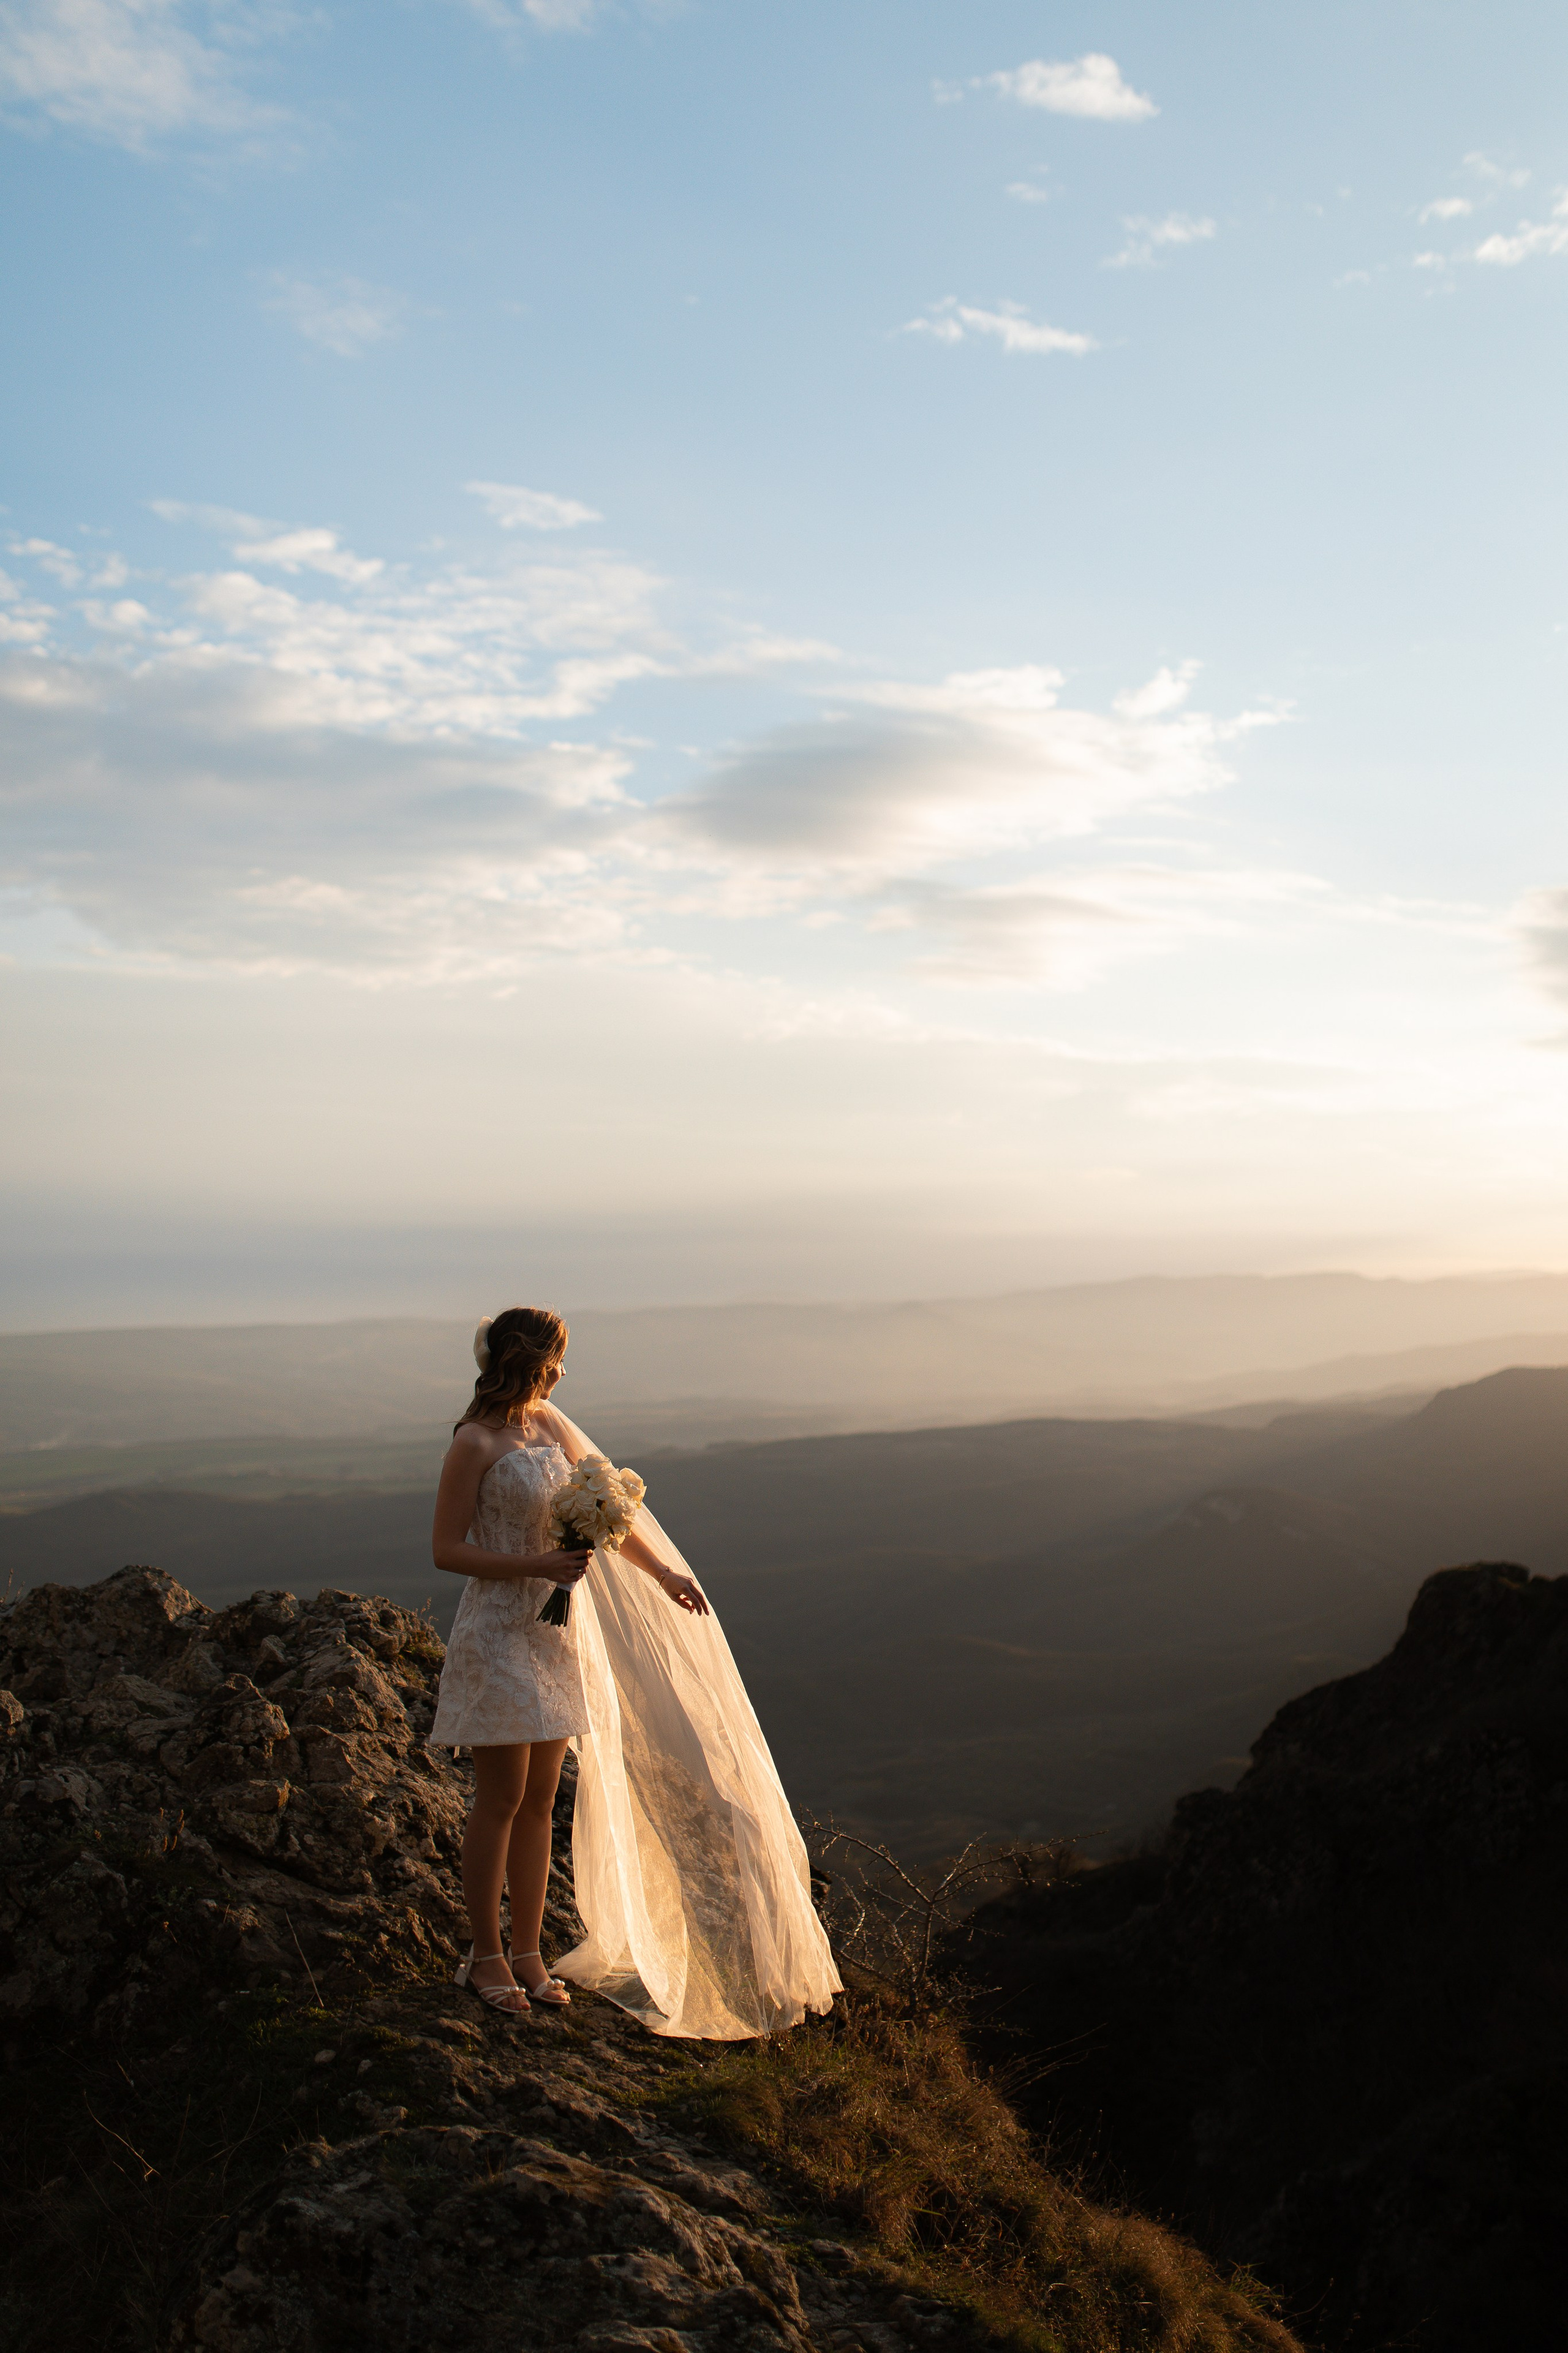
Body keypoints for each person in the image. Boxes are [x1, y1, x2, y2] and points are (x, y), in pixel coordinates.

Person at [429, 1303, 840, 2037]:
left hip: (555, 1634)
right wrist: (538, 1565)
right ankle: (484, 1956)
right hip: (497, 1633)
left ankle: (528, 1951)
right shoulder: (474, 1441)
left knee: (540, 1801)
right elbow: (446, 1549)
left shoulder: (549, 1426)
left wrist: (663, 1573)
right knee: (501, 1798)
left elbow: (606, 1515)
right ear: (529, 1357)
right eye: (555, 1358)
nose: (561, 1371)